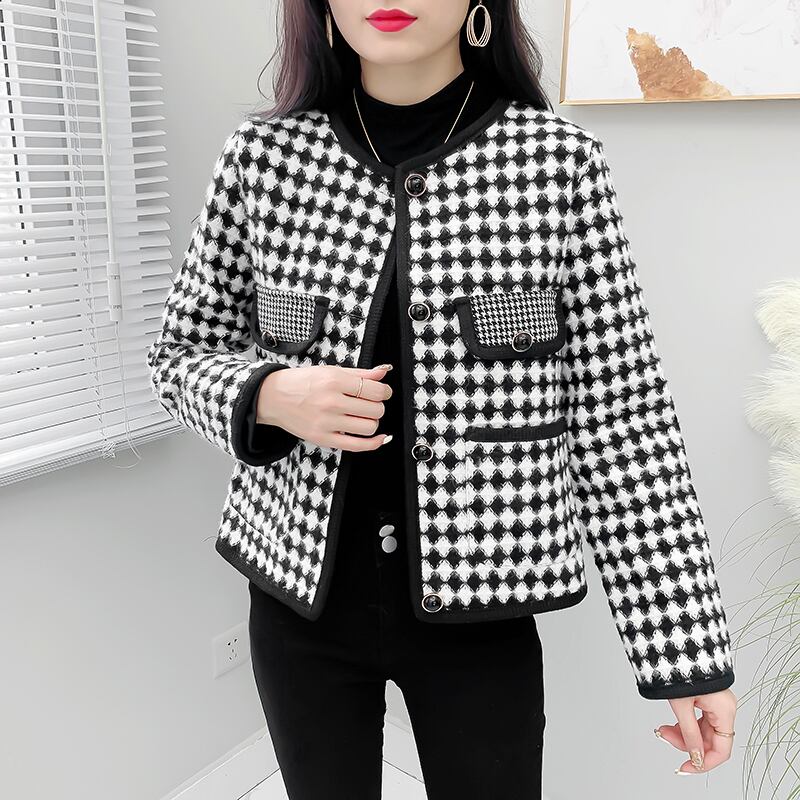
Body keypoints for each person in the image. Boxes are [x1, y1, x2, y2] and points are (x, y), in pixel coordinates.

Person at [147, 2, 738, 798]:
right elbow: (179, 354)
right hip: (299, 607)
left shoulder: (557, 165)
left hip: (482, 613)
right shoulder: (265, 160)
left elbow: (623, 418)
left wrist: (687, 650)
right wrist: (270, 394)